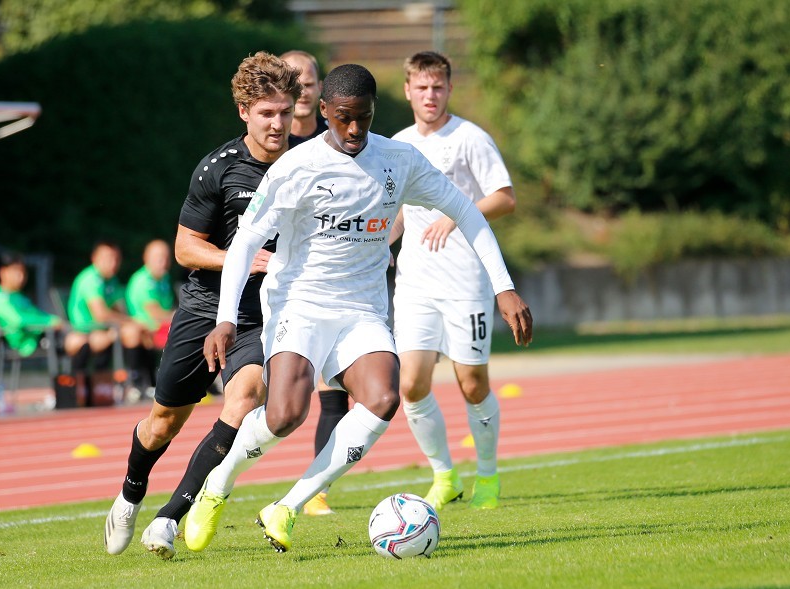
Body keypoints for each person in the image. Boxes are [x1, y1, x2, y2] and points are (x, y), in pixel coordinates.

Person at [184, 63, 532, 554]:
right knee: (285, 414)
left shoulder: (399, 160)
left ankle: (286, 506)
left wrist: (504, 287)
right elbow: (245, 244)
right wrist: (224, 318)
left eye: (363, 119)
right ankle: (217, 487)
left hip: (362, 310)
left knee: (385, 397)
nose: (353, 131)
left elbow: (467, 211)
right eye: (343, 118)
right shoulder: (295, 168)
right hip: (298, 303)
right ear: (323, 110)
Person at [103, 51, 301, 559]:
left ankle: (171, 517)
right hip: (203, 308)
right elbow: (185, 248)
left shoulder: (309, 162)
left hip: (263, 315)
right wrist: (242, 259)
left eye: (284, 111)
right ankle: (130, 493)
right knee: (163, 422)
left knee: (246, 394)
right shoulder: (218, 168)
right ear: (244, 112)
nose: (278, 123)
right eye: (266, 113)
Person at [390, 51, 518, 511]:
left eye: (438, 87)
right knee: (411, 385)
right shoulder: (398, 145)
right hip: (415, 284)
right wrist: (376, 245)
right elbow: (399, 212)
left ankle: (487, 475)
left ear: (449, 88)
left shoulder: (469, 138)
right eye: (421, 87)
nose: (430, 95)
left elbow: (504, 198)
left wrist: (456, 212)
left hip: (466, 281)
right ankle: (445, 475)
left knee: (472, 383)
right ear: (407, 90)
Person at [281, 49, 350, 518]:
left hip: (328, 285)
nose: (303, 88)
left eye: (310, 81)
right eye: (294, 81)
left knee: (333, 392)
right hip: (272, 287)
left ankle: (316, 490)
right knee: (271, 401)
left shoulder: (343, 142)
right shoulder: (269, 144)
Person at [66, 240, 145, 400]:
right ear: (94, 258)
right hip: (85, 332)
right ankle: (125, 384)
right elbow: (101, 314)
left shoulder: (112, 280)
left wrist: (133, 323)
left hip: (104, 330)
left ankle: (139, 384)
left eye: (116, 259)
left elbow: (118, 310)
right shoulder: (90, 279)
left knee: (135, 332)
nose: (113, 263)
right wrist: (129, 322)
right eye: (108, 258)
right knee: (127, 331)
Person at [125, 239, 175, 397]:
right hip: (151, 329)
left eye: (166, 257)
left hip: (161, 327)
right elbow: (155, 312)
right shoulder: (142, 280)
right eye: (159, 257)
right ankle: (139, 382)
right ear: (146, 258)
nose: (164, 262)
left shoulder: (164, 279)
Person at [0, 253, 65, 358]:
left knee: (75, 340)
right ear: (3, 272)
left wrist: (54, 321)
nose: (21, 276)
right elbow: (18, 320)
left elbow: (37, 314)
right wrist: (49, 321)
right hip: (25, 344)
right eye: (16, 271)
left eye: (23, 271)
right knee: (75, 343)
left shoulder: (19, 296)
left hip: (40, 337)